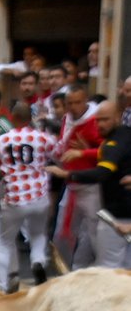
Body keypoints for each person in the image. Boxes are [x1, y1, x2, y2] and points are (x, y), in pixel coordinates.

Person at [47, 101, 131, 268]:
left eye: (105, 119)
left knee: (108, 266)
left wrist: (67, 174)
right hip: (118, 213)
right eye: (97, 120)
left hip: (117, 215)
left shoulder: (115, 143)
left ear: (117, 118)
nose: (100, 124)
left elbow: (102, 172)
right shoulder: (122, 137)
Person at [0, 103, 57, 291]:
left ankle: (1, 284)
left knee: (5, 242)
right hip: (39, 197)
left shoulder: (1, 141)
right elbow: (58, 155)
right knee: (38, 234)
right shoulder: (43, 138)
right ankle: (37, 261)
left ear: (13, 118)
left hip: (14, 198)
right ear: (30, 118)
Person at [51, 85, 103, 268]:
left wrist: (85, 152)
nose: (73, 107)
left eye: (77, 102)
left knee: (93, 236)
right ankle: (65, 271)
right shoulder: (67, 119)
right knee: (61, 234)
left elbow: (110, 153)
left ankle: (86, 270)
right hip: (71, 185)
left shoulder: (98, 120)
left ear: (86, 100)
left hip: (92, 187)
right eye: (69, 103)